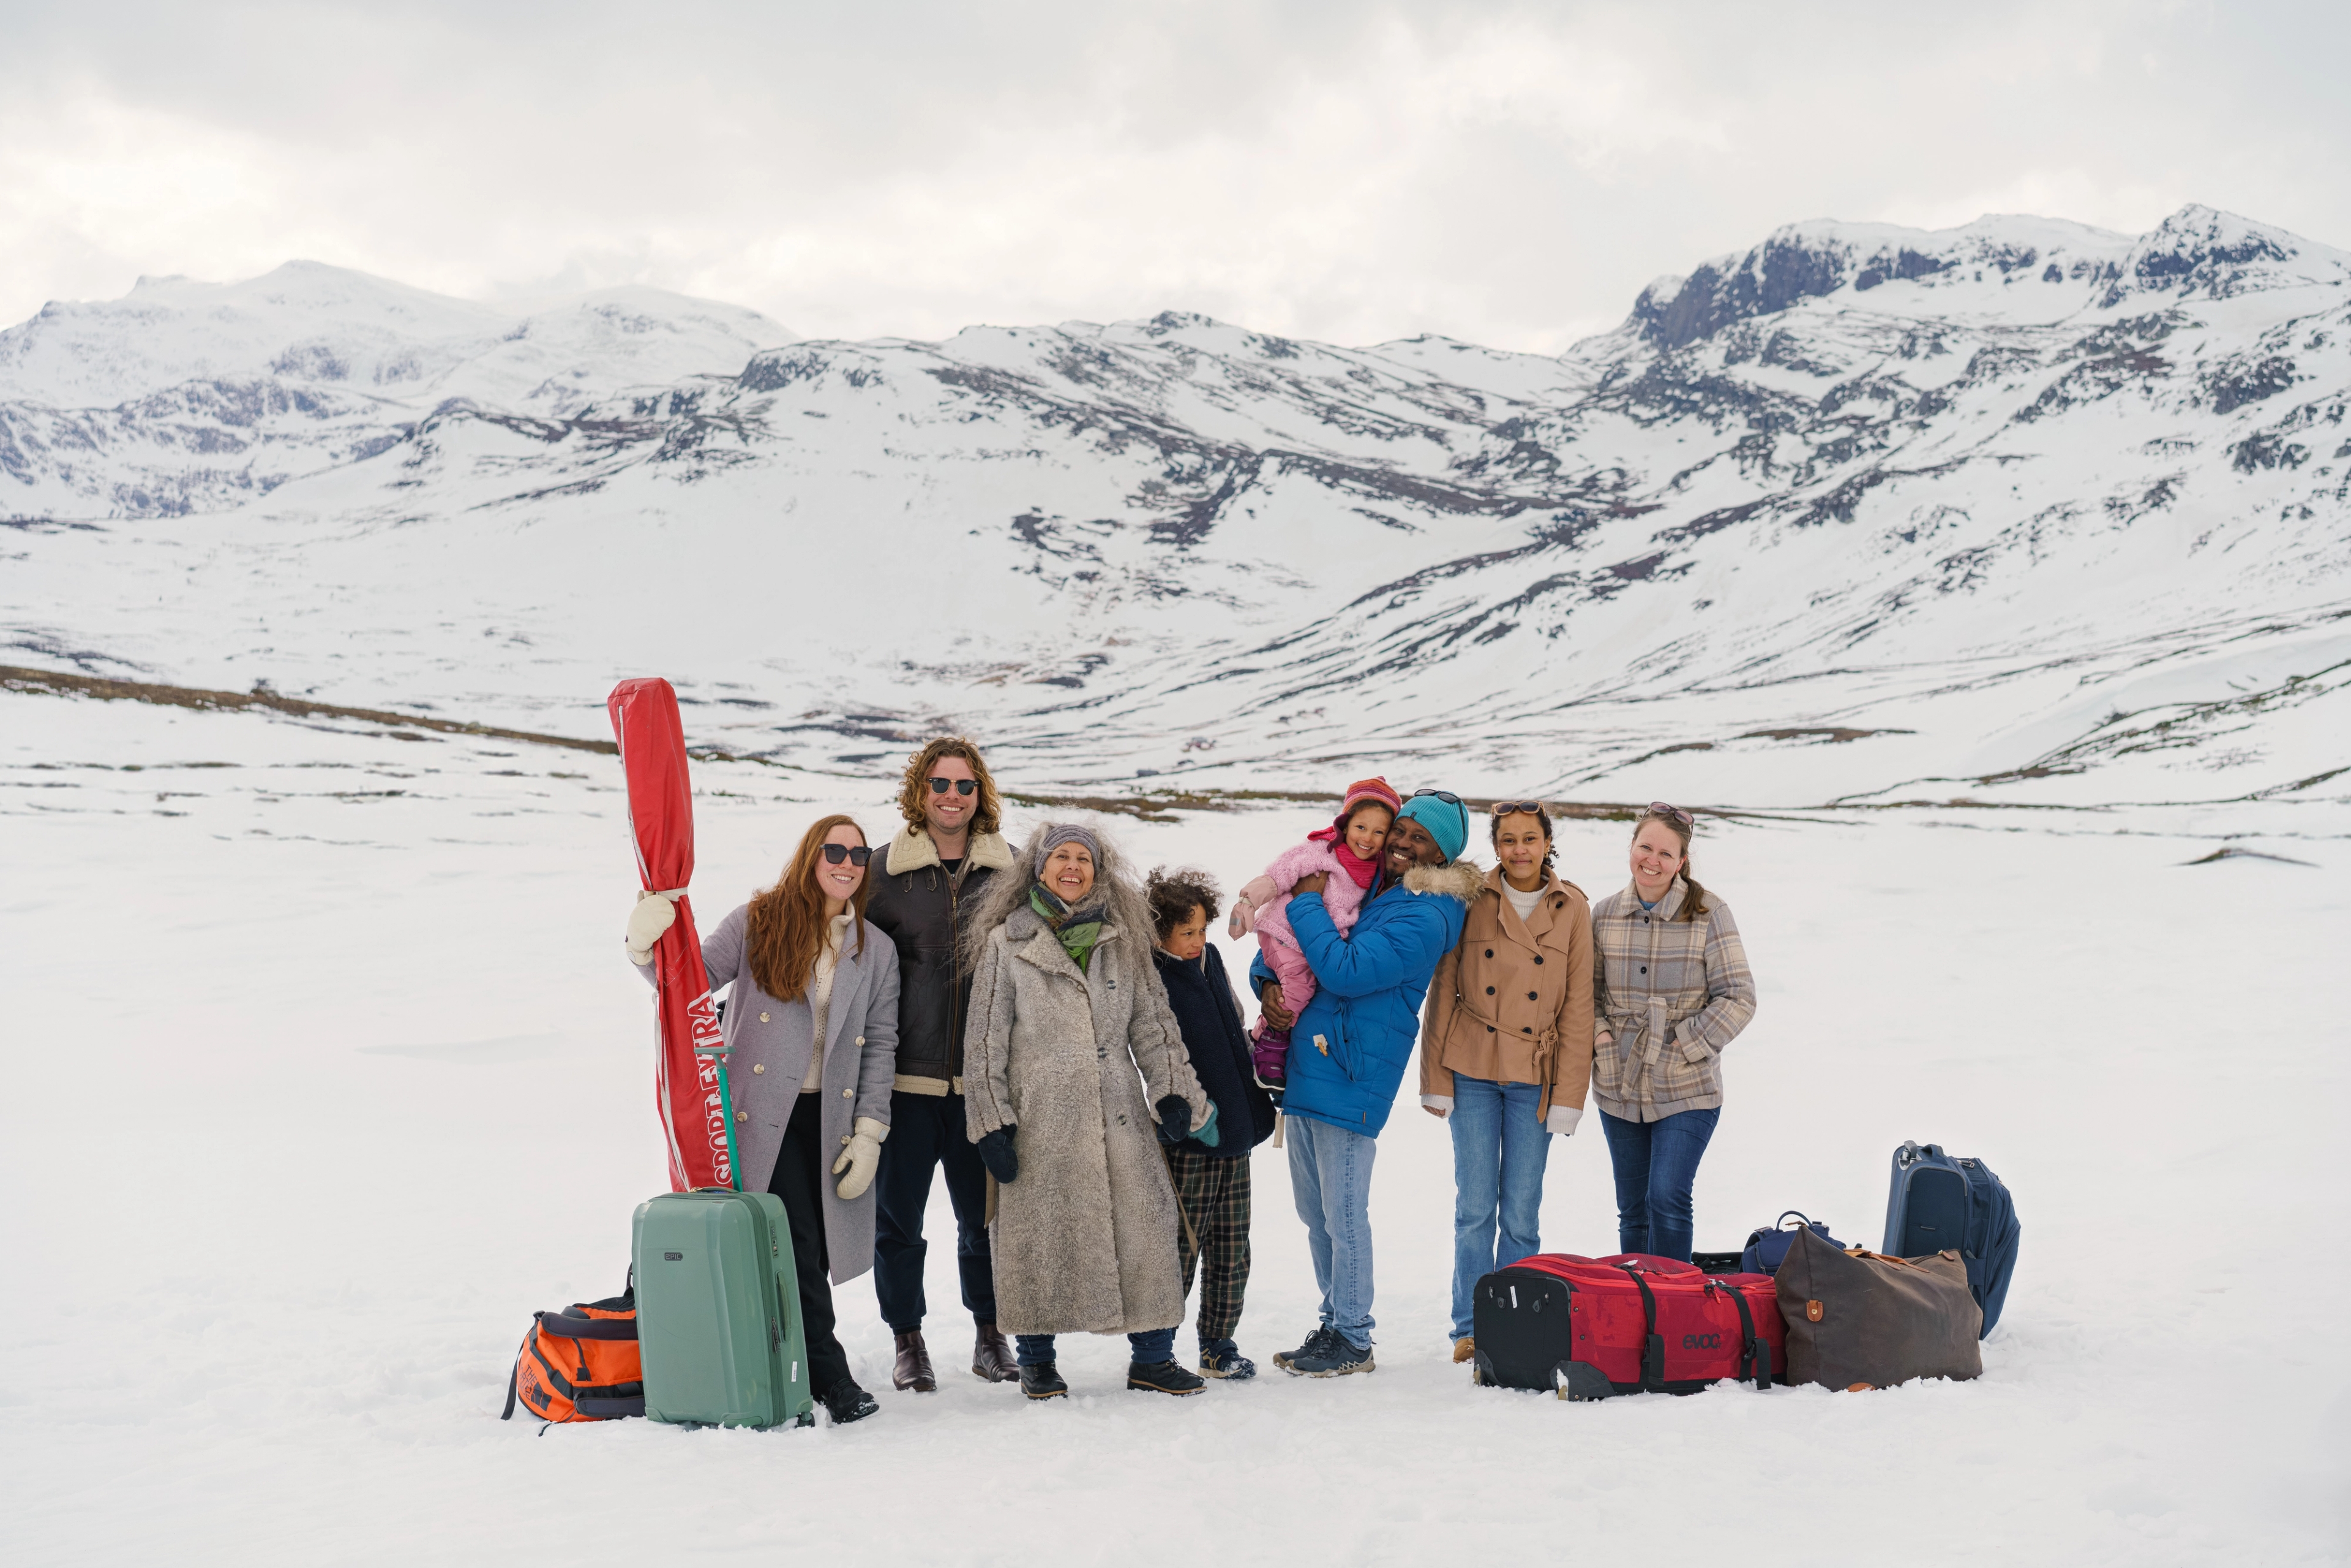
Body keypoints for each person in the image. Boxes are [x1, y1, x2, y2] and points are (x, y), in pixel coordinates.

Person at [623, 814, 899, 1425]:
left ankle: (779, 1359)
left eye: (858, 853)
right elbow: (685, 984)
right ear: (810, 854)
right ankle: (831, 1377)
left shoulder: (875, 948)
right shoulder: (759, 920)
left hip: (830, 1116)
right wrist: (647, 943)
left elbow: (881, 1042)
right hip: (759, 1114)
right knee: (795, 1240)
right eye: (835, 849)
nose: (847, 861)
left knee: (807, 1252)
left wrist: (871, 1130)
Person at [961, 824, 1216, 1400]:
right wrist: (991, 1120)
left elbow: (1154, 1024)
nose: (1072, 867)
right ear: (1039, 868)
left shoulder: (1123, 941)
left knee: (1145, 1229)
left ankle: (1153, 1357)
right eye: (1061, 857)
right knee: (1036, 1237)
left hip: (1118, 1113)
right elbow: (983, 1043)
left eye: (1084, 858)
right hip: (1038, 1119)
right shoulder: (1007, 942)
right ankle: (1037, 1362)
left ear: (1098, 872)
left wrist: (1172, 1091)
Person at [1251, 789, 1483, 1377]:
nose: (1401, 844)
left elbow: (1346, 970)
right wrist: (1266, 984)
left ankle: (1354, 1336)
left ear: (1443, 853)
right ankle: (1334, 1321)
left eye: (1419, 838)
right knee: (1315, 1212)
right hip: (1311, 1062)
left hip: (1353, 1072)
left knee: (1344, 1213)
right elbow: (1290, 942)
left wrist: (1305, 899)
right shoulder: (1373, 887)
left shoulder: (1428, 914)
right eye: (1399, 831)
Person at [863, 737, 1019, 1390]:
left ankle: (991, 1334)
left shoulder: (1012, 869)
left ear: (979, 793)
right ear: (919, 791)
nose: (951, 796)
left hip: (983, 1081)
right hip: (903, 1081)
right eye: (939, 784)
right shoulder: (881, 869)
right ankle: (908, 1340)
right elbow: (838, 941)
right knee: (899, 1222)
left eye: (964, 784)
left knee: (982, 1219)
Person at [1420, 800, 1594, 1365]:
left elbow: (1578, 1009)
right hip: (1471, 1067)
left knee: (1521, 1210)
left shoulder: (1572, 908)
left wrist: (1570, 1094)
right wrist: (1435, 1076)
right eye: (1509, 840)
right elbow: (1443, 987)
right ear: (1496, 846)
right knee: (1474, 1207)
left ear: (1548, 843)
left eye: (1530, 838)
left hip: (1533, 1076)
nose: (1520, 849)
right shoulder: (1472, 898)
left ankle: (1516, 1320)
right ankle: (1469, 1327)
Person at [1589, 803, 1757, 1264]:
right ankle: (1636, 1306)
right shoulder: (1603, 915)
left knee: (1667, 1195)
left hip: (1688, 1086)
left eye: (1666, 853)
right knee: (1634, 1211)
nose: (1653, 860)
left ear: (1682, 861)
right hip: (1618, 1083)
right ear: (1632, 847)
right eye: (1646, 847)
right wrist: (1602, 1041)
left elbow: (1739, 995)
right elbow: (1586, 994)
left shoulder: (1709, 913)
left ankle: (1674, 1309)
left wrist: (1686, 1042)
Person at [1146, 867, 1278, 1380]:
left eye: (1203, 929)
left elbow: (1233, 1021)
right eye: (1188, 933)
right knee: (1181, 1247)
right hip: (1193, 1139)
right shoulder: (1153, 977)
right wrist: (1200, 1119)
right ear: (1159, 934)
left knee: (1232, 1247)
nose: (1200, 941)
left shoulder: (1211, 959)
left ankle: (1219, 1342)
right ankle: (1158, 1346)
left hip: (1237, 1134)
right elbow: (1162, 1057)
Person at [1226, 777, 1403, 1089]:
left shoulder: (1375, 871)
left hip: (1311, 943)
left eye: (1379, 832)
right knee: (1299, 988)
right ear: (1345, 824)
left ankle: (1268, 1038)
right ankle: (1265, 1042)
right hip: (1285, 931)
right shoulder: (1322, 852)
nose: (1368, 838)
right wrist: (1248, 901)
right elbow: (1280, 874)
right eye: (1361, 827)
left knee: (1302, 987)